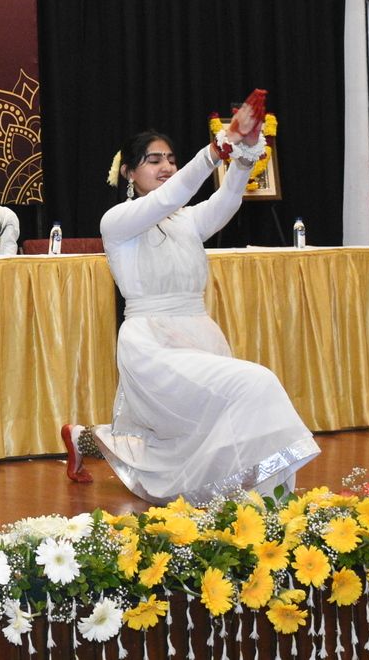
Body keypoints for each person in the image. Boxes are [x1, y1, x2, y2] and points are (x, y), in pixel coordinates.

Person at [62, 109, 320, 504]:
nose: (166, 166)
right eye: (154, 160)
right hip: (150, 344)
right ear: (129, 173)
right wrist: (215, 152)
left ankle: (83, 438)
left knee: (180, 443)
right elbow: (172, 195)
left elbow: (227, 200)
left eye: (170, 159)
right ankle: (270, 500)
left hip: (199, 333)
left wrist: (244, 157)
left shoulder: (187, 221)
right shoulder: (117, 220)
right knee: (256, 383)